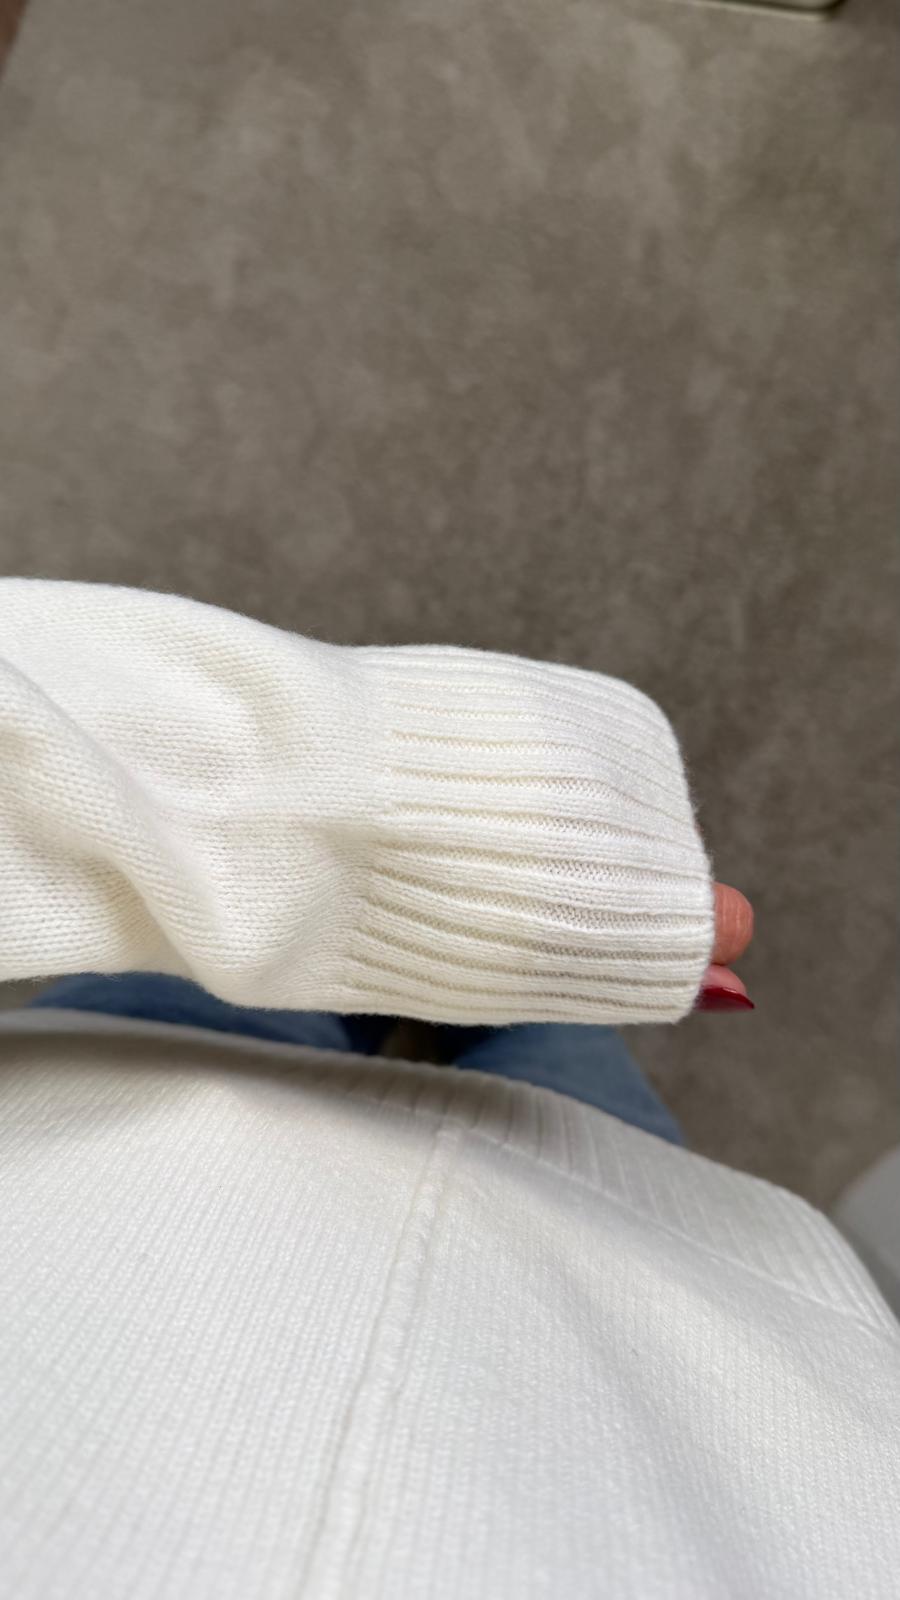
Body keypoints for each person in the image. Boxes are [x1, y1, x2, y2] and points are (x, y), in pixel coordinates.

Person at [0, 578, 896, 1600]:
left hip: (112, 1095)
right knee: (544, 1004)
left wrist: (383, 821)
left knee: (444, 955)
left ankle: (462, 942)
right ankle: (485, 960)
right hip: (603, 1256)